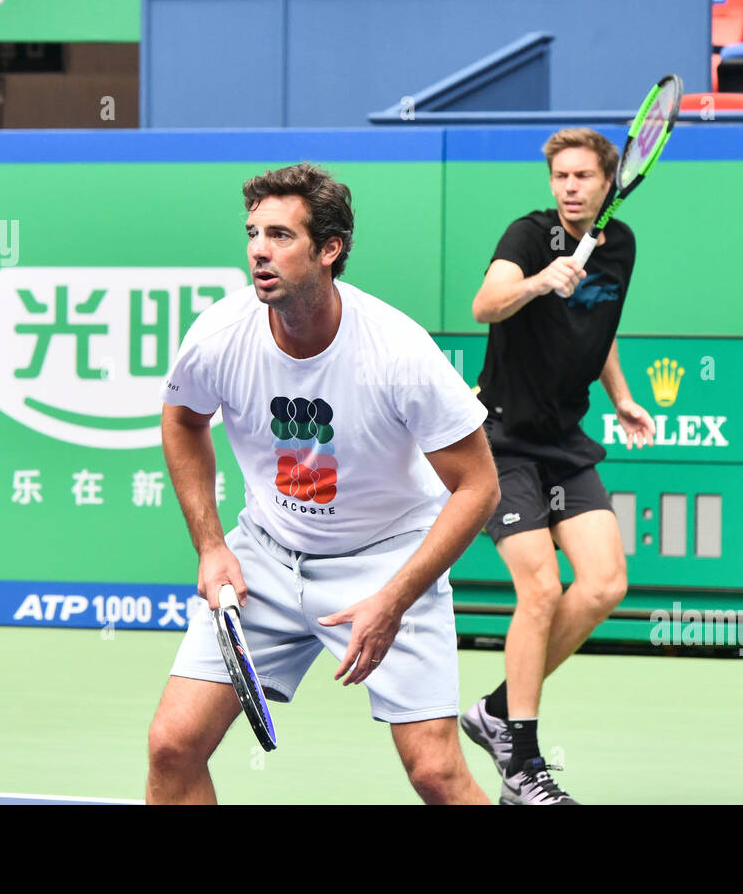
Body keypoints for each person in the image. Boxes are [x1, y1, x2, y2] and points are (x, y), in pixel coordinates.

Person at [147, 162, 499, 805]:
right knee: (173, 746)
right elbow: (182, 419)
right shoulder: (220, 334)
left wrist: (393, 600)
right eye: (253, 233)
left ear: (329, 249)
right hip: (266, 556)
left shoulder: (397, 351)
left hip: (387, 559)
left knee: (436, 774)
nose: (259, 250)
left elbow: (479, 487)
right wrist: (211, 546)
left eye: (281, 235)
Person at [463, 128, 657, 805]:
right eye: (560, 177)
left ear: (610, 182)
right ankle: (522, 764)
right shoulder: (528, 236)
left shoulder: (620, 245)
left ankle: (495, 710)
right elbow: (485, 304)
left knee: (604, 584)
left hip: (564, 439)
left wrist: (622, 396)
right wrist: (540, 280)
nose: (570, 188)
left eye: (583, 176)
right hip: (502, 440)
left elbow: (596, 328)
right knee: (541, 589)